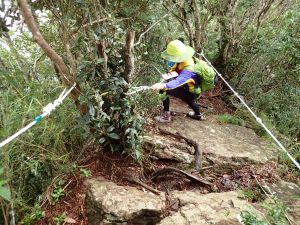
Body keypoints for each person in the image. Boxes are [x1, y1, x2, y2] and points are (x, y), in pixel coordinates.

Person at [151, 40, 202, 123]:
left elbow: (178, 81)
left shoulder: (189, 67)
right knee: (189, 100)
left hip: (190, 91)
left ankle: (166, 117)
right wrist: (168, 75)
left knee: (164, 90)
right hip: (192, 90)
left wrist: (163, 85)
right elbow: (176, 71)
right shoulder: (184, 60)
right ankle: (198, 114)